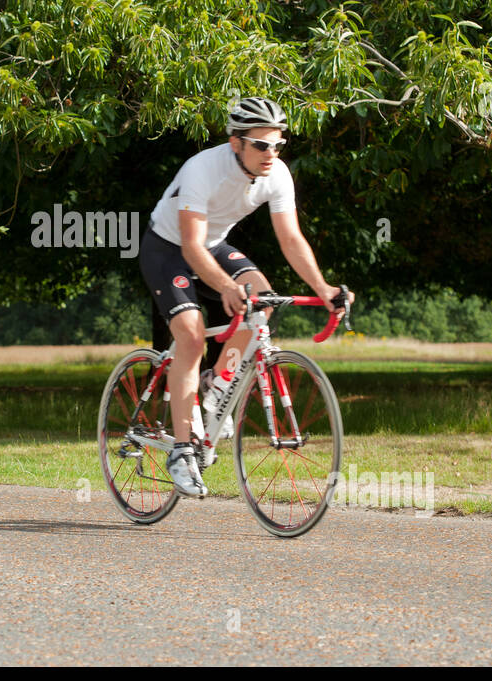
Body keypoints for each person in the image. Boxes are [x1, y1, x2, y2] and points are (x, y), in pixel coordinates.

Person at [139, 96, 353, 497]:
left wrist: (323, 290)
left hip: (213, 245)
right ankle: (181, 451)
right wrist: (224, 287)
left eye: (278, 145)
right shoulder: (203, 169)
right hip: (169, 248)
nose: (270, 153)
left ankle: (213, 384)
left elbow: (291, 239)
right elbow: (190, 246)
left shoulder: (277, 174)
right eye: (260, 145)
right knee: (190, 333)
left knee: (264, 300)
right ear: (236, 142)